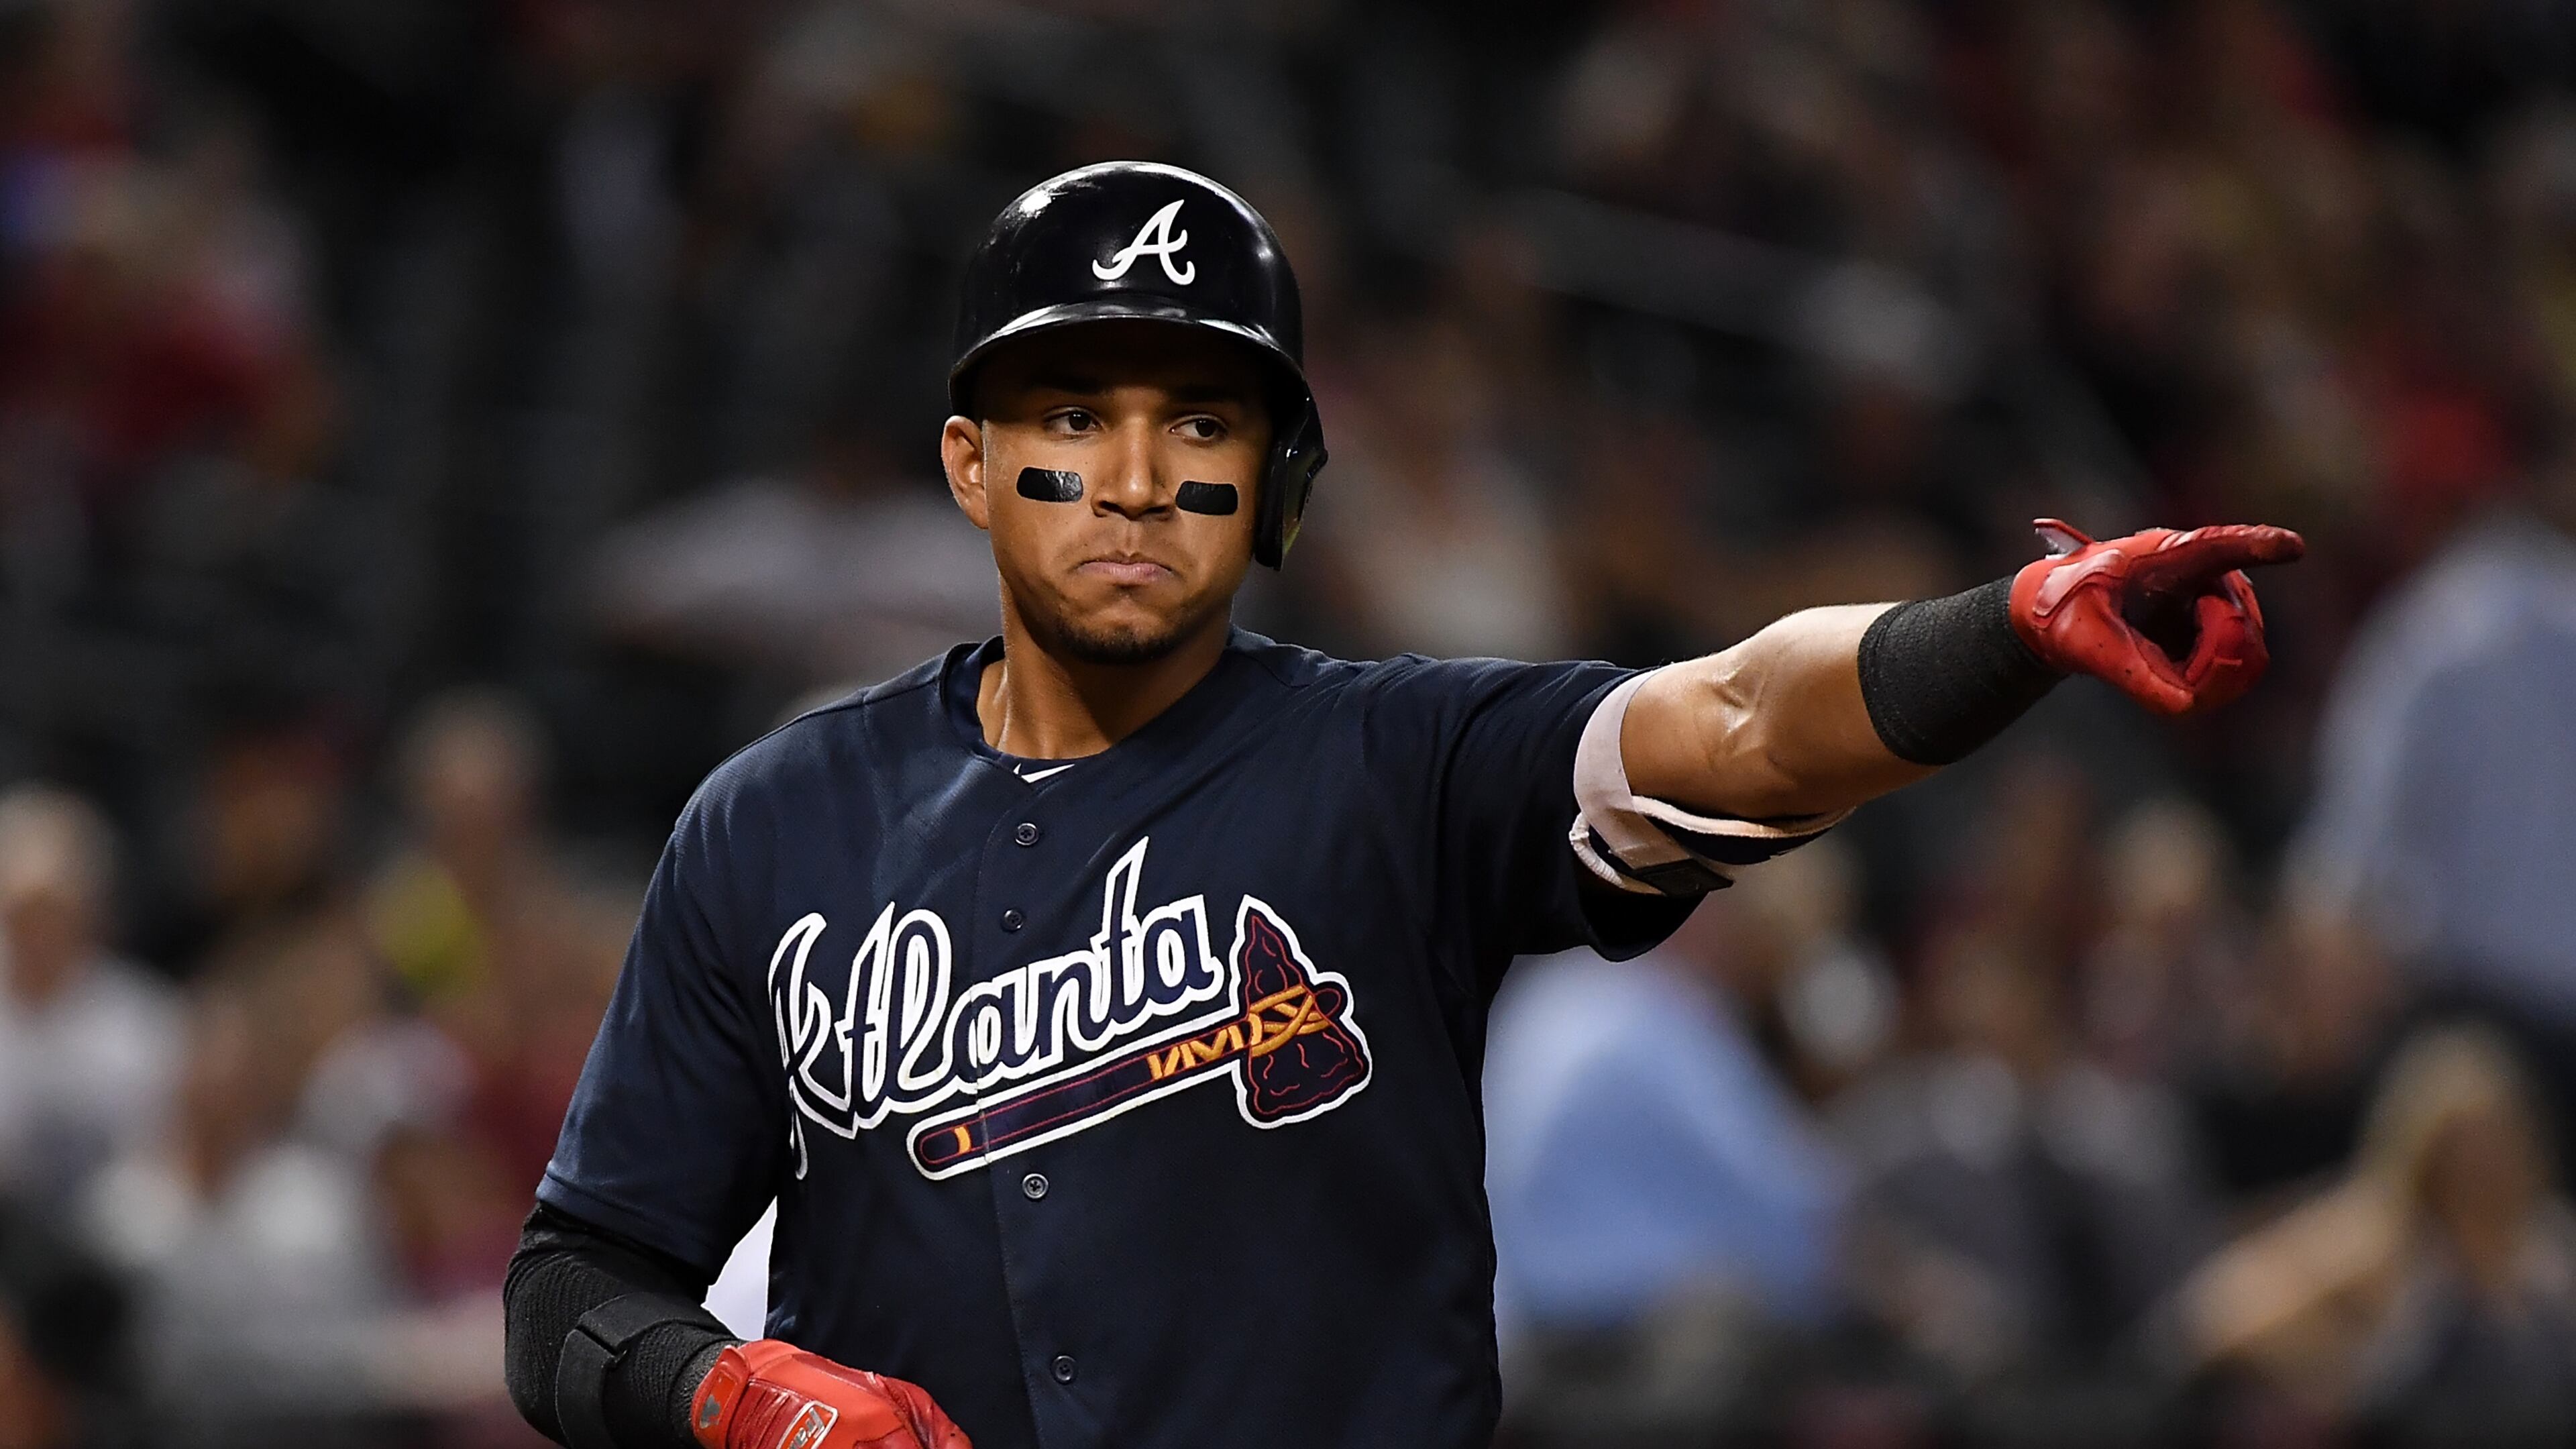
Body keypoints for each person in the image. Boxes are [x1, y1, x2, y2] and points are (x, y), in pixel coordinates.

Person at [500, 161, 2302, 1449]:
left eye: (1202, 425)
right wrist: (723, 1392)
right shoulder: (773, 824)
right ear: (970, 464)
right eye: (1075, 413)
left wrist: (2004, 630)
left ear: (1275, 484)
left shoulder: (1403, 767)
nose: (1134, 478)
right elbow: (577, 1287)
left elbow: (1740, 722)